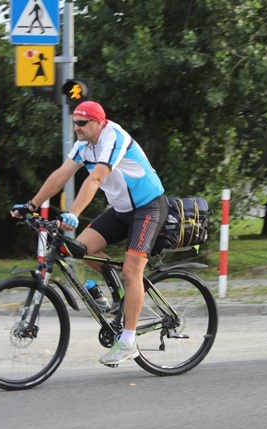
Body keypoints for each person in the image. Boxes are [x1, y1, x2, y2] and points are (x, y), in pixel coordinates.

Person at [10, 101, 167, 366]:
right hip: (121, 209)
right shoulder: (83, 145)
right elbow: (61, 174)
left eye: (82, 123)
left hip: (148, 207)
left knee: (132, 271)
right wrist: (31, 205)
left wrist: (72, 212)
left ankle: (128, 342)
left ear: (98, 122)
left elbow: (95, 178)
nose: (77, 128)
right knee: (79, 248)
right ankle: (121, 292)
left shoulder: (113, 137)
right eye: (75, 123)